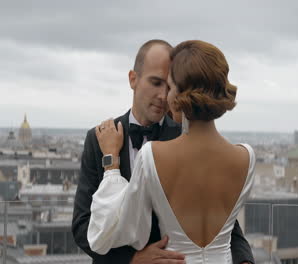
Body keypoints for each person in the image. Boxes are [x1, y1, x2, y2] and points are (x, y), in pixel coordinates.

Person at [72, 39, 255, 264]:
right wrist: (132, 259)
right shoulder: (98, 138)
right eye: (156, 83)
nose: (164, 95)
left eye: (169, 86)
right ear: (133, 79)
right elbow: (82, 224)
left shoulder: (185, 138)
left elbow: (225, 220)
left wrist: (245, 259)